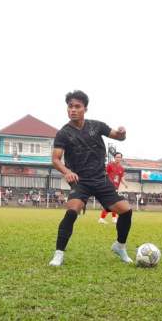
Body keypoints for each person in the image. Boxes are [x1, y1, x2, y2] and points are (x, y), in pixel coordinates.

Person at [48, 90, 133, 267]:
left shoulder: (97, 126)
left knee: (126, 210)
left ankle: (120, 246)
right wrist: (67, 172)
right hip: (80, 180)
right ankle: (58, 254)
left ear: (85, 108)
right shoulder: (63, 133)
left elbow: (119, 136)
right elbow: (56, 159)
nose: (73, 110)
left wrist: (123, 132)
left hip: (101, 179)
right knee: (72, 211)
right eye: (70, 106)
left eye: (77, 106)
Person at [99, 152, 128, 224]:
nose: (118, 158)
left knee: (113, 203)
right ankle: (104, 218)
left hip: (116, 187)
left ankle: (112, 218)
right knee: (113, 203)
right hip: (109, 186)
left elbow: (121, 178)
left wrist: (125, 184)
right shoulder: (110, 165)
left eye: (119, 157)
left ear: (121, 158)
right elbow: (104, 174)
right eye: (117, 157)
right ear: (114, 157)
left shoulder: (121, 168)